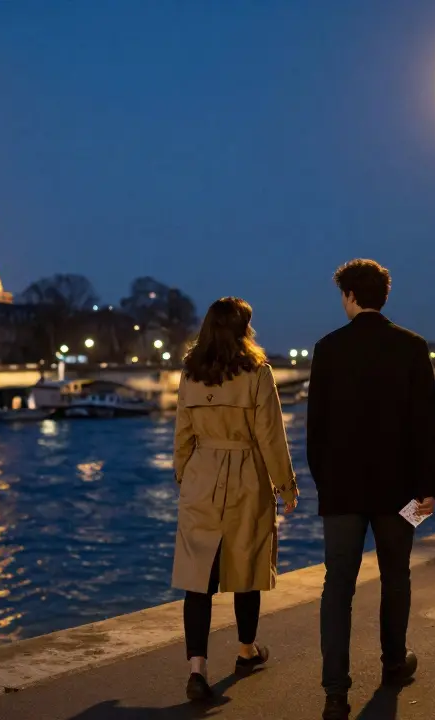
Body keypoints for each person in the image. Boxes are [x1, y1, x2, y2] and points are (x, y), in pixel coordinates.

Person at [306, 259, 435, 720]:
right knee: (395, 577)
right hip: (400, 491)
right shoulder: (412, 347)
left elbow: (316, 430)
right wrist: (428, 489)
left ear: (348, 296)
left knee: (337, 587)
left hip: (342, 490)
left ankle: (335, 693)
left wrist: (326, 482)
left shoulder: (327, 349)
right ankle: (393, 664)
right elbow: (425, 426)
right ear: (384, 295)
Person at [172, 296, 299, 701]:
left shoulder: (191, 374)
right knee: (247, 564)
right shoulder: (256, 372)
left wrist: (185, 478)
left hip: (201, 476)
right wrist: (286, 486)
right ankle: (246, 650)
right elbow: (270, 436)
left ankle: (197, 668)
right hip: (246, 474)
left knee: (198, 578)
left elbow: (183, 435)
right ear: (244, 329)